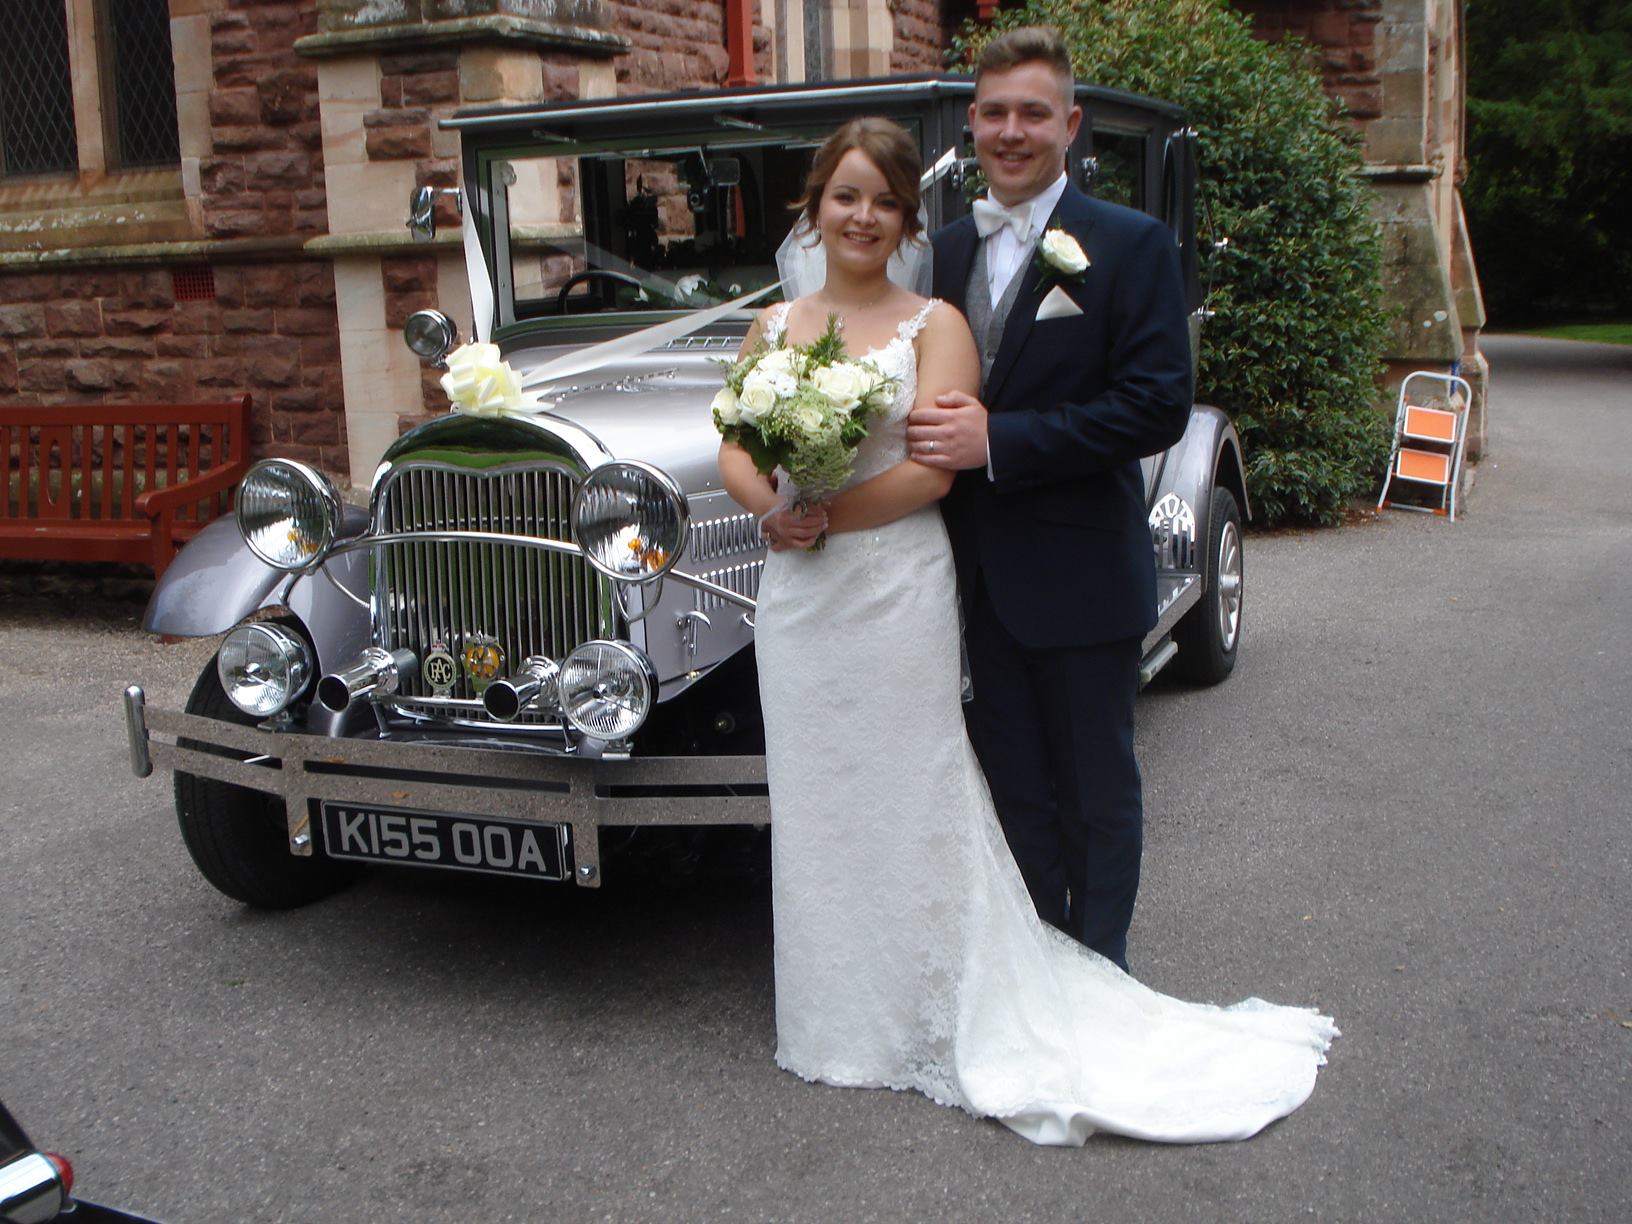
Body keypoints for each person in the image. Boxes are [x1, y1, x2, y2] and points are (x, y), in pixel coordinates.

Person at [718, 116, 1335, 1146]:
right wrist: (768, 511)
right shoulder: (773, 327)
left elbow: (937, 467)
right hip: (802, 604)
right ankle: (836, 1016)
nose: (861, 215)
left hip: (887, 586)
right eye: (844, 196)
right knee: (822, 796)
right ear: (814, 208)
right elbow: (737, 438)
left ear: (908, 219)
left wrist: (822, 518)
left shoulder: (936, 321)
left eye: (883, 200)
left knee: (916, 785)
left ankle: (949, 1001)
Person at [907, 25, 1189, 972]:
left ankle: (1101, 971)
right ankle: (1038, 968)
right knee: (1014, 789)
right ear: (971, 125)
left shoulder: (1132, 244)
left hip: (1079, 571)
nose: (1012, 130)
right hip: (971, 577)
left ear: (1071, 125)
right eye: (994, 113)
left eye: (1034, 112)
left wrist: (1004, 441)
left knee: (1095, 788)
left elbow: (1156, 406)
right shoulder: (938, 254)